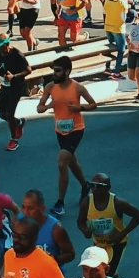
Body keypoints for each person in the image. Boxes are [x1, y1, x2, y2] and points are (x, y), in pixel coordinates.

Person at [34, 58, 97, 214]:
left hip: (76, 129)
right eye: (54, 70)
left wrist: (80, 107)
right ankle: (85, 185)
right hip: (60, 130)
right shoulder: (50, 87)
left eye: (58, 70)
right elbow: (39, 109)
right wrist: (48, 105)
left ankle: (60, 203)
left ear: (67, 71)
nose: (54, 73)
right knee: (71, 161)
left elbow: (93, 104)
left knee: (62, 163)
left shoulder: (77, 88)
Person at [75, 171, 139, 271]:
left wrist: (121, 235)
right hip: (98, 244)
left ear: (107, 188)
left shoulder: (117, 203)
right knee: (99, 271)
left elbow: (138, 215)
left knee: (109, 272)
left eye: (99, 186)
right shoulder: (87, 202)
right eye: (92, 185)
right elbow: (80, 222)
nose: (94, 189)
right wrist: (85, 230)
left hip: (116, 244)